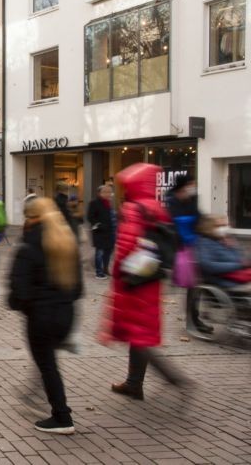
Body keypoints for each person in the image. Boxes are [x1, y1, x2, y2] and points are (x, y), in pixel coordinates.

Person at [102, 163, 188, 401]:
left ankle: (175, 380)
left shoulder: (133, 208)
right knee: (140, 332)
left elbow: (127, 245)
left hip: (134, 281)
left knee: (138, 335)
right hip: (151, 280)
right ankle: (133, 383)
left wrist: (117, 272)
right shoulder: (156, 206)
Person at [8, 197, 82, 434]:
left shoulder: (29, 244)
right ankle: (39, 399)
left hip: (41, 317)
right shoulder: (66, 241)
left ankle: (62, 416)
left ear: (29, 217)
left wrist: (24, 306)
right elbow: (78, 287)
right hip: (66, 315)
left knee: (47, 365)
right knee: (48, 363)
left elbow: (19, 290)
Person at [165, 174, 206, 330]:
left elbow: (200, 218)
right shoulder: (171, 202)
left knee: (195, 285)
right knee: (192, 284)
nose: (193, 187)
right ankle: (192, 319)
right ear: (183, 186)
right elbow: (171, 227)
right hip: (181, 249)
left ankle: (193, 318)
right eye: (191, 184)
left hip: (195, 246)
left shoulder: (191, 200)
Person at [195, 215, 250, 287]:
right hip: (223, 280)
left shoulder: (224, 240)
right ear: (209, 227)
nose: (224, 228)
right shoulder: (204, 243)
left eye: (225, 225)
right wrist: (239, 265)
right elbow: (207, 266)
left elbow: (238, 259)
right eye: (219, 226)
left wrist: (233, 248)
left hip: (237, 276)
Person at [87, 185, 117, 280]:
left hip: (110, 232)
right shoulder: (94, 203)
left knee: (108, 252)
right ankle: (99, 272)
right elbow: (90, 217)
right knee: (99, 252)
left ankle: (105, 269)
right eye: (106, 192)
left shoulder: (109, 203)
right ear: (100, 193)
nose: (109, 194)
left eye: (110, 192)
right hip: (100, 232)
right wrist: (99, 225)